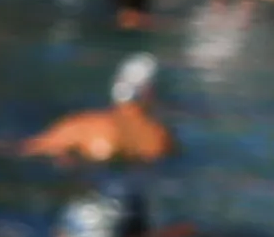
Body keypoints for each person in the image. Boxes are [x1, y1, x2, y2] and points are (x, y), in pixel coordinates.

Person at [20, 54, 177, 163]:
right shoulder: (162, 138)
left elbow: (26, 151)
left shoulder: (84, 126)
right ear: (151, 92)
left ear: (116, 83)